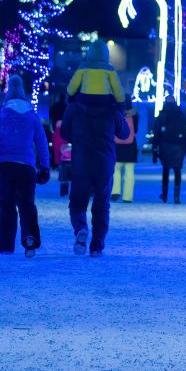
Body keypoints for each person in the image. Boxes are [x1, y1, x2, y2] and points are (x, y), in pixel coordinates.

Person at [0, 74, 50, 256]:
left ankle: (6, 245)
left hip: (4, 166)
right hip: (26, 166)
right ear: (22, 92)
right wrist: (44, 167)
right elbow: (41, 144)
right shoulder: (32, 116)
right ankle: (30, 238)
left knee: (6, 205)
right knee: (27, 204)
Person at [63, 85, 130, 257]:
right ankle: (97, 247)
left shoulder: (75, 106)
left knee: (77, 203)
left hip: (81, 162)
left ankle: (81, 228)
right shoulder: (111, 108)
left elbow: (64, 132)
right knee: (102, 205)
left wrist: (78, 138)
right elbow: (124, 134)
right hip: (104, 162)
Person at [152, 94, 186, 203]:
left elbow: (156, 133)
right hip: (179, 147)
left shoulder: (162, 115)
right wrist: (185, 148)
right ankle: (176, 197)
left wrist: (155, 149)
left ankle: (164, 195)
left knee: (166, 170)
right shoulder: (181, 115)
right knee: (177, 171)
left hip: (165, 146)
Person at [66, 39, 126, 104]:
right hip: (104, 99)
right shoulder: (109, 69)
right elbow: (116, 88)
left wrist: (69, 95)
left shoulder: (83, 67)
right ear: (106, 53)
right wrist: (121, 101)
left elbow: (73, 85)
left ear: (90, 52)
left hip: (85, 98)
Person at [111, 105, 139, 202]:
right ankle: (127, 197)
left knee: (116, 170)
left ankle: (115, 192)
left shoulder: (115, 114)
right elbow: (136, 130)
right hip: (130, 148)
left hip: (117, 147)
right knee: (129, 172)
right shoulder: (135, 115)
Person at [50, 92, 72, 197]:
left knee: (58, 149)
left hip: (57, 130)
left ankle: (58, 164)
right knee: (65, 150)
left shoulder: (54, 107)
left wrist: (53, 128)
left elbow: (51, 118)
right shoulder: (67, 108)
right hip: (65, 130)